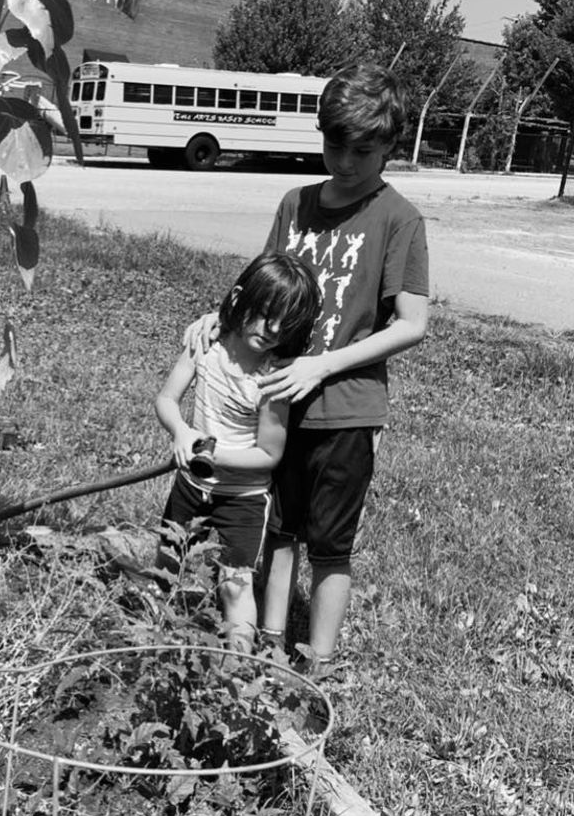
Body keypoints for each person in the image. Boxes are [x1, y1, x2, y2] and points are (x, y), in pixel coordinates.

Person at [187, 62, 430, 673]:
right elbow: (263, 285)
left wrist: (322, 366)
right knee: (279, 530)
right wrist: (220, 315)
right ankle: (269, 651)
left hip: (345, 412)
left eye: (363, 150)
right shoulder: (294, 203)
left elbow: (411, 323)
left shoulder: (399, 219)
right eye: (333, 144)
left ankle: (320, 666)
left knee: (330, 545)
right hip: (276, 404)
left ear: (390, 147)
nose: (345, 161)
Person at [155, 252, 321, 653]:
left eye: (285, 323)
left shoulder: (271, 380)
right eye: (265, 314)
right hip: (191, 485)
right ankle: (150, 640)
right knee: (165, 566)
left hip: (242, 499)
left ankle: (238, 669)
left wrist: (211, 452)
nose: (272, 329)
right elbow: (166, 399)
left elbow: (268, 455)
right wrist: (180, 431)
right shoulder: (205, 346)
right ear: (241, 299)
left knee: (235, 583)